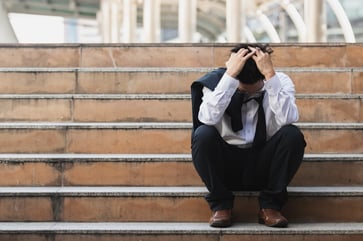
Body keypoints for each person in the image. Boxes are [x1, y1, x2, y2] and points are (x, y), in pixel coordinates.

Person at [190, 43, 306, 228]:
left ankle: (270, 206)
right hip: (226, 164)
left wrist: (269, 74)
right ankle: (221, 205)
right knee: (203, 134)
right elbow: (207, 118)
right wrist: (229, 77)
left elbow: (288, 118)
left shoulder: (279, 81)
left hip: (264, 164)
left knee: (292, 135)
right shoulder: (218, 82)